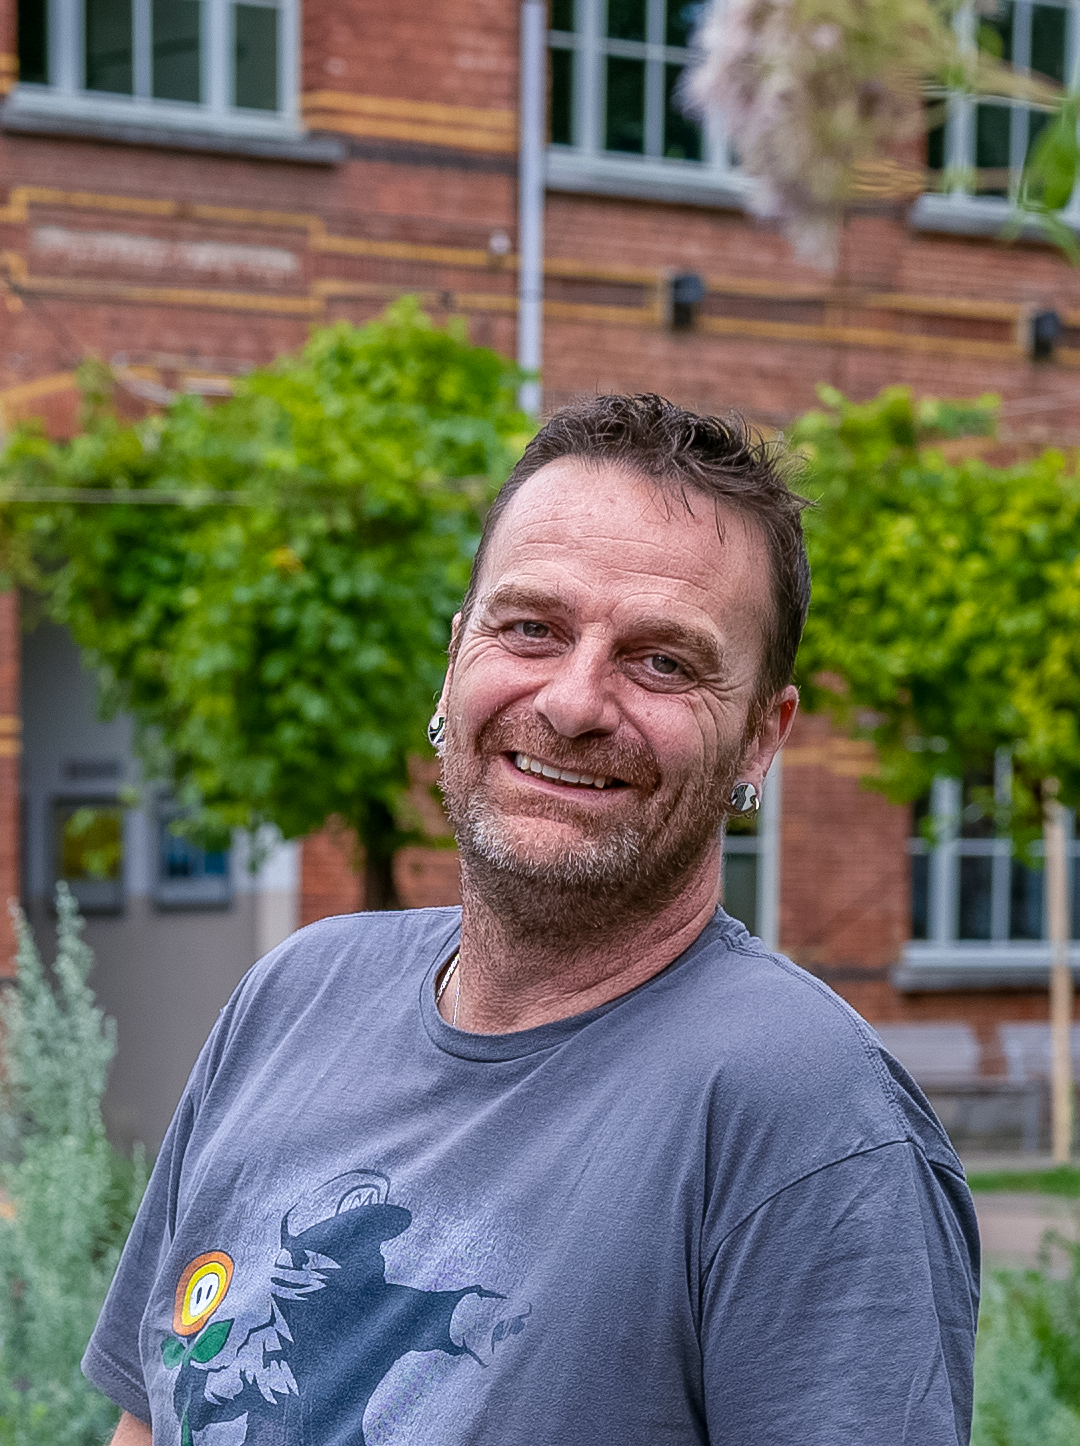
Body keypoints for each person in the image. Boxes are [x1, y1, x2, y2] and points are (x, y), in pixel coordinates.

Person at [82, 394, 980, 1446]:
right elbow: (151, 1419)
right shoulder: (294, 997)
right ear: (453, 659)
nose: (571, 703)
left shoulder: (805, 1119)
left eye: (663, 661)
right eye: (529, 630)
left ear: (759, 737)